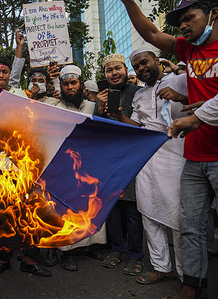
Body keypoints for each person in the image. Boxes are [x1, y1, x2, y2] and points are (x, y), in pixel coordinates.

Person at [121, 0, 218, 297]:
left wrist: (193, 114)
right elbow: (150, 32)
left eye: (190, 18)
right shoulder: (189, 51)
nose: (184, 26)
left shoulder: (179, 72)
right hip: (194, 156)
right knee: (188, 225)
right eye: (180, 23)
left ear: (213, 14)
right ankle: (191, 286)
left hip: (207, 154)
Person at [110, 47, 188, 285]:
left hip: (177, 158)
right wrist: (119, 116)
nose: (141, 68)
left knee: (178, 219)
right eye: (136, 67)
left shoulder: (181, 80)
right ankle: (162, 267)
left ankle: (188, 275)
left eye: (144, 63)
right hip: (148, 160)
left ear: (156, 60)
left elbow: (205, 104)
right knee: (149, 214)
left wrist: (180, 97)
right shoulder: (139, 95)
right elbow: (138, 126)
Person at [0, 55, 52, 277]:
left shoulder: (20, 95)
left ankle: (29, 259)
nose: (1, 76)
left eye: (4, 72)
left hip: (22, 165)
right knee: (0, 214)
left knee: (26, 212)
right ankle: (3, 259)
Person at [43, 65, 106, 271]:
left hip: (86, 169)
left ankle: (75, 250)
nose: (70, 87)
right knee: (57, 211)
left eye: (73, 83)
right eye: (65, 84)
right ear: (60, 86)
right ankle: (56, 250)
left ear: (80, 84)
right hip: (58, 167)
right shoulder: (52, 104)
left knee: (83, 210)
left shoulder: (91, 106)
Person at [97, 53, 144, 277]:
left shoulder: (139, 92)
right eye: (109, 70)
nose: (114, 73)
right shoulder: (101, 97)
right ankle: (117, 249)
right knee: (113, 207)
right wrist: (99, 107)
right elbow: (99, 130)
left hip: (134, 158)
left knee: (133, 209)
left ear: (126, 71)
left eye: (118, 69)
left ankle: (135, 255)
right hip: (110, 160)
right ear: (105, 75)